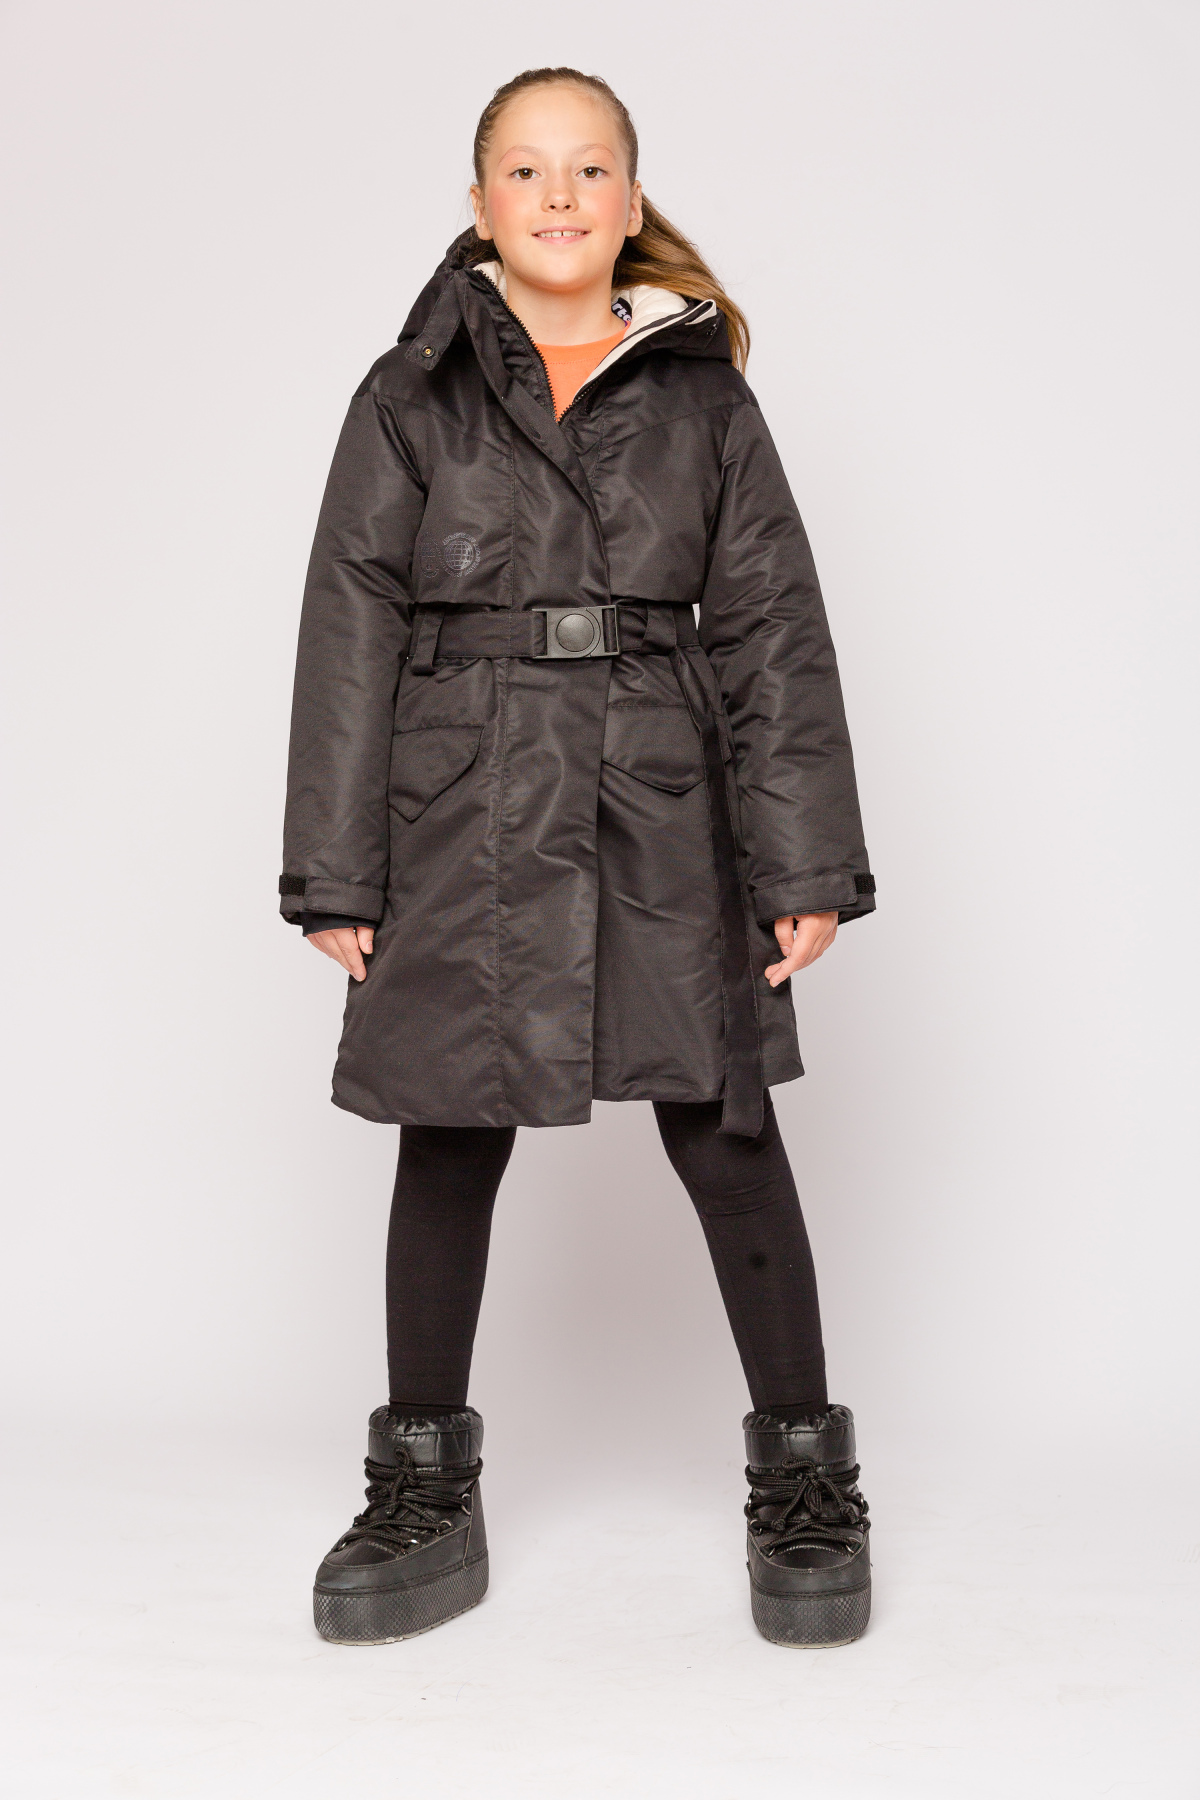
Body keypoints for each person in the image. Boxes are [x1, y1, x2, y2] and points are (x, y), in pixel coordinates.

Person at [280, 67, 875, 1650]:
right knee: (447, 1131)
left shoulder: (703, 400)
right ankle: (422, 1489)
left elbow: (771, 631)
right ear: (481, 204)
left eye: (590, 168)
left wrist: (804, 860)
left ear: (631, 198)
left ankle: (806, 1481)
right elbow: (349, 625)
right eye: (528, 170)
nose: (559, 195)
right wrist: (336, 869)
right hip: (460, 803)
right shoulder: (408, 394)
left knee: (726, 1129)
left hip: (660, 795)